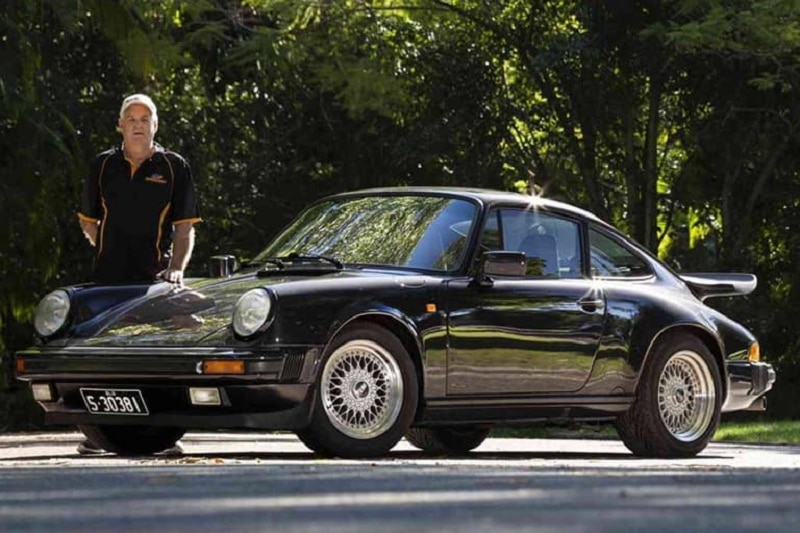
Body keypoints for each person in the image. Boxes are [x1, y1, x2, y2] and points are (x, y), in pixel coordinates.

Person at [75, 93, 201, 455]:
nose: (138, 124)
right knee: (104, 357)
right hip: (108, 279)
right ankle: (97, 435)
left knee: (160, 354)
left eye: (145, 118)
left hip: (154, 281)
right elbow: (88, 221)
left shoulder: (174, 166)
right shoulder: (102, 166)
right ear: (120, 125)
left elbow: (184, 229)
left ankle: (165, 434)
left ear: (155, 126)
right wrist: (107, 248)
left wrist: (176, 269)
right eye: (130, 118)